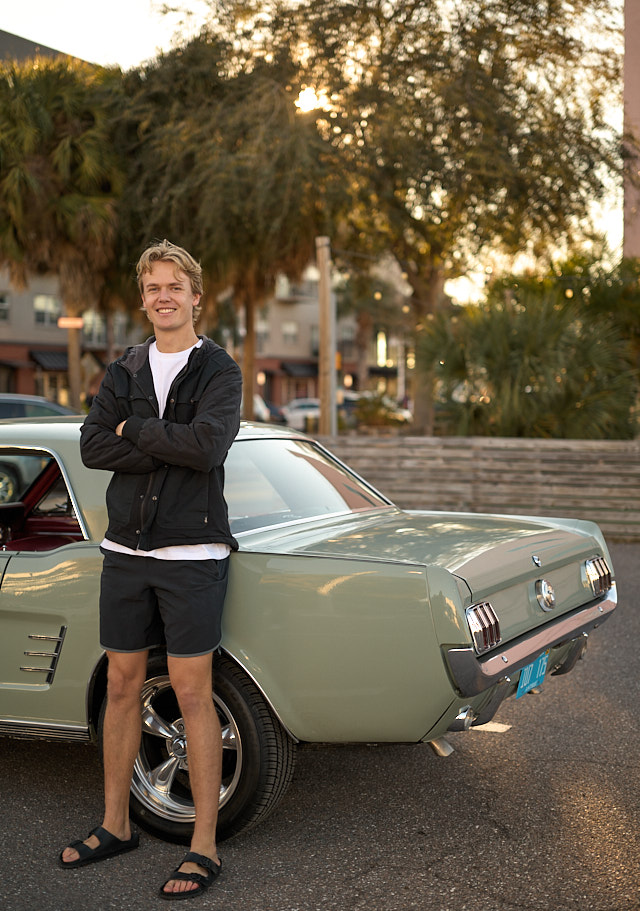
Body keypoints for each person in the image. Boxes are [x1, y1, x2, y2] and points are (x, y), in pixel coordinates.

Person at [58, 240, 242, 901]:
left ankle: (203, 844)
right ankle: (116, 824)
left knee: (193, 692)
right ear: (144, 298)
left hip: (192, 554)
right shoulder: (125, 367)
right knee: (120, 686)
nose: (164, 296)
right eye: (153, 287)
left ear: (196, 296)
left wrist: (136, 430)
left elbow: (208, 446)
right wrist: (156, 436)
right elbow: (92, 442)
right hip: (126, 552)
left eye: (175, 286)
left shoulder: (219, 370)